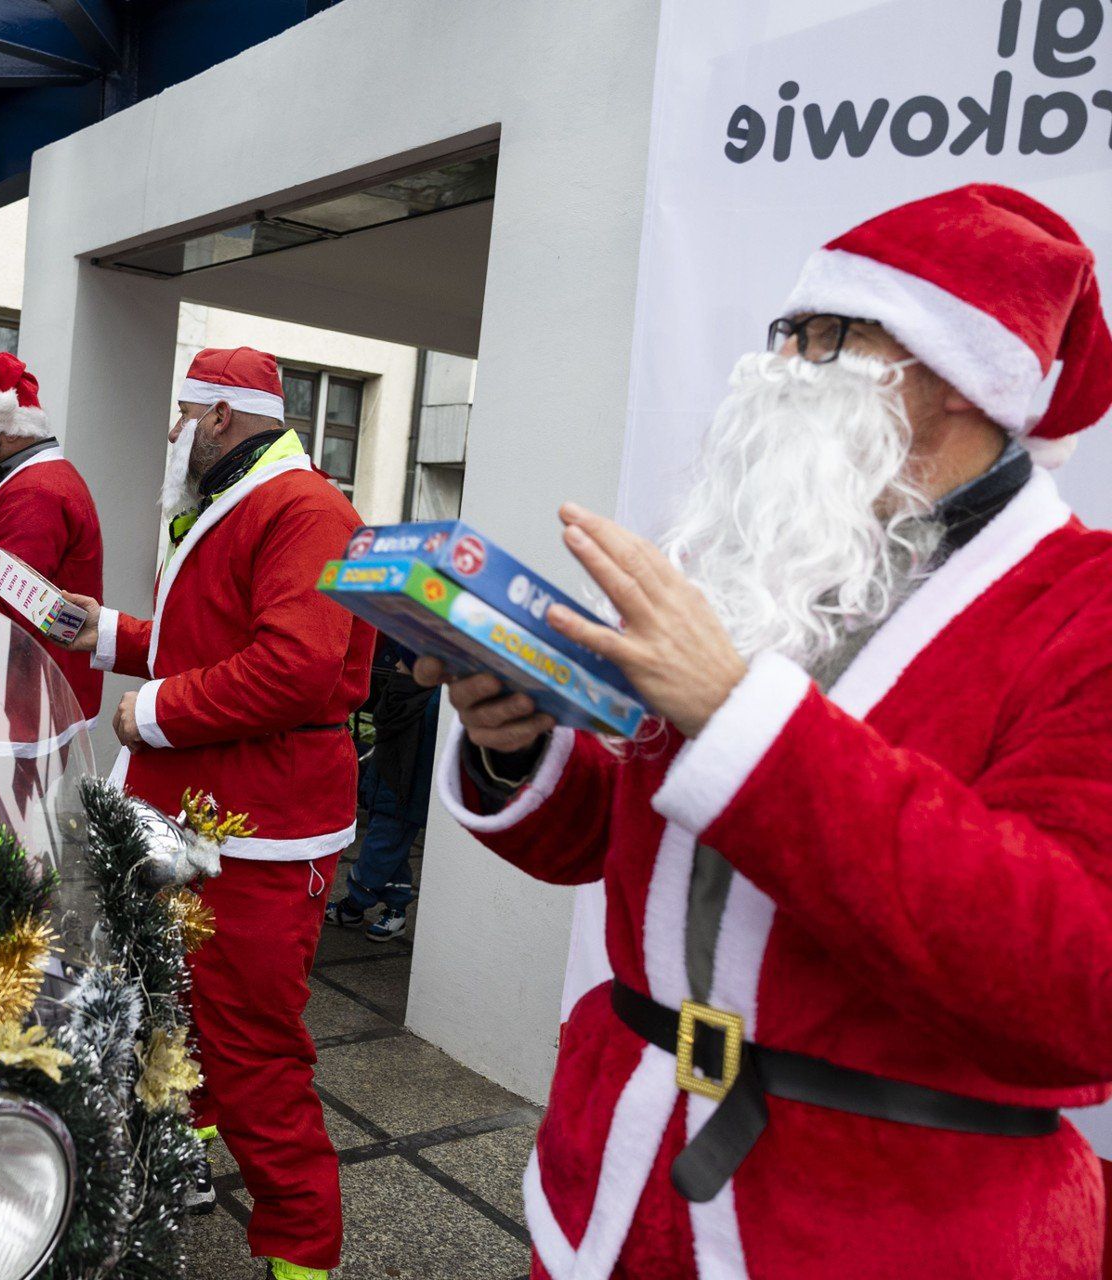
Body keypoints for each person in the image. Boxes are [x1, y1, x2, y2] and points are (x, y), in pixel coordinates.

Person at [423, 185, 1112, 1279]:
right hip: (614, 1184)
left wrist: (740, 716)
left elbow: (1077, 981)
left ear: (961, 375)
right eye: (785, 329)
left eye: (826, 335)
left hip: (878, 1224)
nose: (781, 362)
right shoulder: (785, 560)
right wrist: (519, 744)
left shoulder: (1086, 607)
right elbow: (636, 852)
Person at [61, 346, 373, 1280]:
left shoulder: (305, 511)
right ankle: (181, 1158)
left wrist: (152, 712)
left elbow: (296, 668)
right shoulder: (249, 500)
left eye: (183, 413)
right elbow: (208, 642)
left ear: (220, 418)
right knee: (183, 1016)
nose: (172, 431)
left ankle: (301, 1252)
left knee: (255, 1053)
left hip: (260, 833)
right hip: (211, 820)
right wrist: (102, 630)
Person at [0, 352, 104, 722]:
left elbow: (1, 613)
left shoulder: (35, 492)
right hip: (15, 699)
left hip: (17, 712)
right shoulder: (23, 479)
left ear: (9, 430)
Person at [326, 635, 437, 942]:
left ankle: (354, 904)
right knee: (393, 854)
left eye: (404, 660)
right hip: (385, 787)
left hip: (404, 795)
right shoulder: (401, 695)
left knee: (379, 849)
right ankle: (396, 910)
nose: (396, 663)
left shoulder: (429, 705)